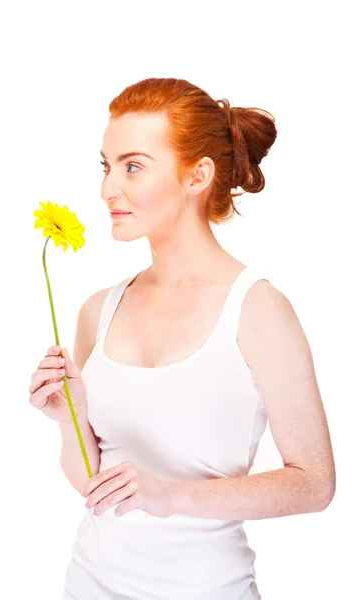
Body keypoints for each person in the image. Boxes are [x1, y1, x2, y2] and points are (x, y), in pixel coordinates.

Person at [28, 77, 336, 599]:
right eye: (106, 165)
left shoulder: (258, 311)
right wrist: (71, 418)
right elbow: (94, 485)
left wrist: (170, 496)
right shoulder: (96, 311)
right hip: (89, 584)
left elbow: (314, 484)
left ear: (197, 176)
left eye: (133, 166)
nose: (108, 188)